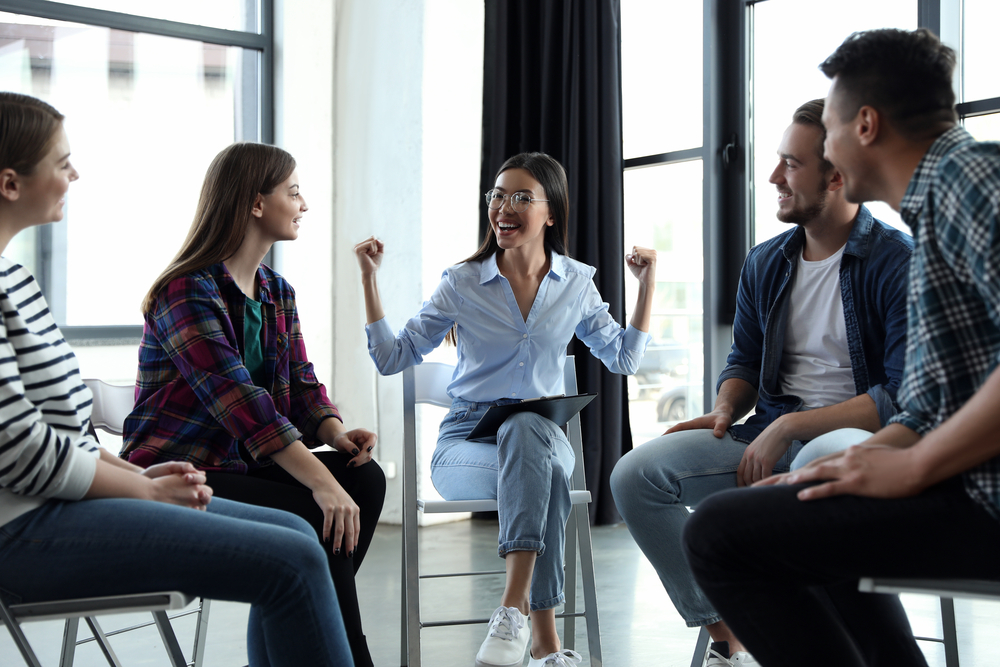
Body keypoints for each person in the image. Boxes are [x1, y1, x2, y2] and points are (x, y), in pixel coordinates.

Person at [682, 28, 1000, 667]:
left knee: (718, 536)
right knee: (820, 498)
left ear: (864, 125)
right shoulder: (937, 203)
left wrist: (910, 466)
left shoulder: (969, 179)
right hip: (964, 486)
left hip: (984, 499)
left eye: (825, 131)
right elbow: (936, 404)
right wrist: (866, 458)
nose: (822, 154)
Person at [0, 92, 352, 667]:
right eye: (62, 162)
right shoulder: (186, 287)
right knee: (292, 559)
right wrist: (143, 486)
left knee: (299, 536)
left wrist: (132, 473)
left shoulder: (16, 281)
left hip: (59, 501)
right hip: (21, 524)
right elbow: (19, 453)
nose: (75, 174)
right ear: (11, 182)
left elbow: (64, 438)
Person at [611, 99, 913, 666]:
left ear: (837, 175)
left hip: (862, 444)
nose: (773, 177)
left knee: (810, 472)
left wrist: (794, 426)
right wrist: (727, 408)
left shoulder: (895, 262)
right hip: (768, 432)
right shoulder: (765, 262)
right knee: (635, 475)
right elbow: (744, 362)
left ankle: (817, 642)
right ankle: (732, 630)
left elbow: (899, 398)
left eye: (791, 165)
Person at [354, 152, 656, 667]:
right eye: (497, 195)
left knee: (527, 430)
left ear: (551, 213)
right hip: (466, 445)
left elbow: (624, 357)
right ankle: (546, 643)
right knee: (544, 470)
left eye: (520, 197)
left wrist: (647, 284)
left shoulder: (577, 284)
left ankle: (512, 614)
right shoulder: (463, 281)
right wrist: (369, 278)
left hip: (538, 439)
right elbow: (392, 357)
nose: (503, 207)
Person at [119, 142, 385, 667]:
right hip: (179, 471)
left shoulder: (275, 291)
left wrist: (335, 435)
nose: (304, 204)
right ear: (255, 203)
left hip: (241, 465)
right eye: (293, 192)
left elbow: (303, 386)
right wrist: (320, 481)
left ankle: (304, 643)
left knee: (365, 477)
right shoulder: (186, 291)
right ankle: (344, 655)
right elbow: (241, 402)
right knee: (315, 506)